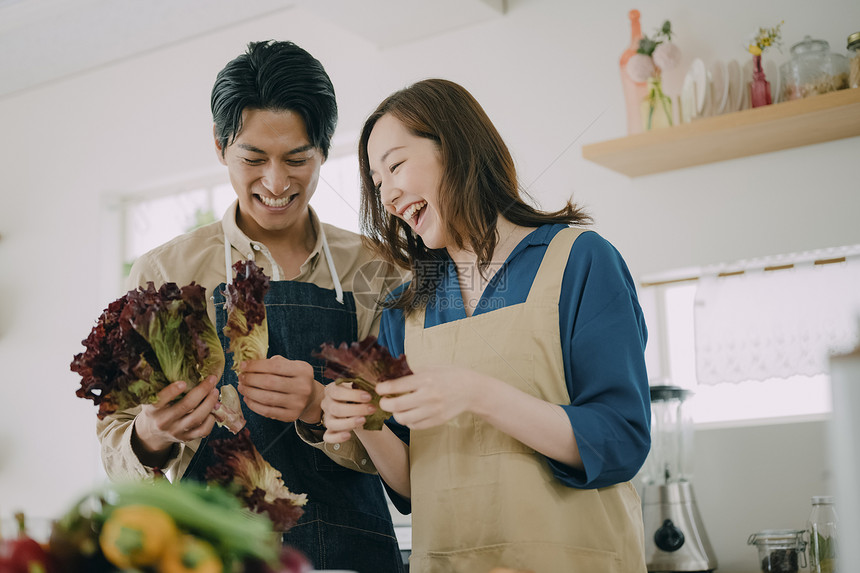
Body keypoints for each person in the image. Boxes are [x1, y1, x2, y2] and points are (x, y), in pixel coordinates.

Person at [96, 40, 406, 573]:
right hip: (209, 553)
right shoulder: (165, 272)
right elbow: (116, 444)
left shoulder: (377, 269)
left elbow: (405, 439)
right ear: (220, 147)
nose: (277, 182)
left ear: (324, 152)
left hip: (351, 551)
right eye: (253, 158)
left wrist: (321, 406)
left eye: (297, 158)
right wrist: (152, 434)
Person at [320, 78, 651, 573]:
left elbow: (621, 439)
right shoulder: (402, 307)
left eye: (395, 165)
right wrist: (363, 422)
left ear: (455, 148)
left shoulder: (579, 261)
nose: (386, 195)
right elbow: (415, 481)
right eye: (375, 181)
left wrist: (478, 393)